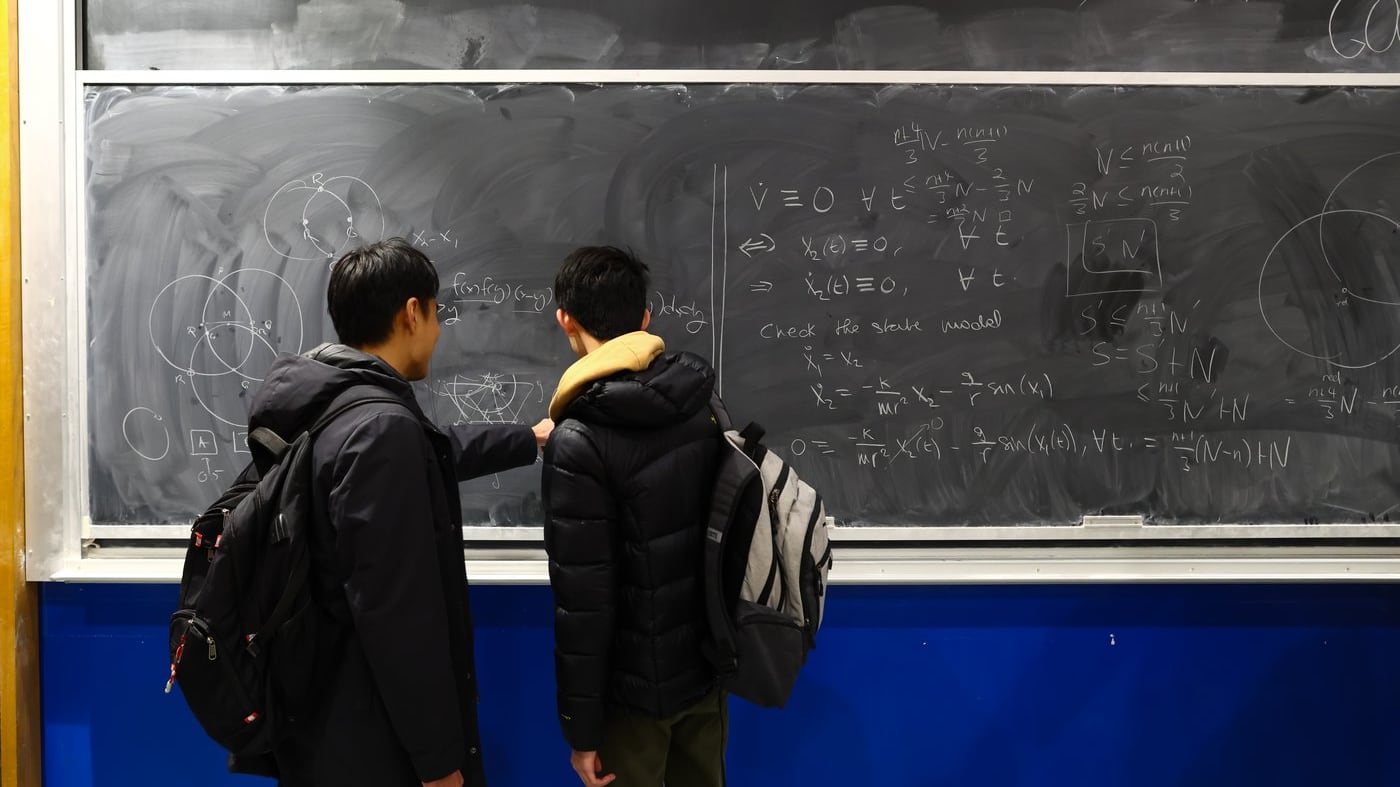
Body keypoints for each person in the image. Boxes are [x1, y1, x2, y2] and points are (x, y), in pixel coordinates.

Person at [239, 238, 552, 787]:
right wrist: (438, 763)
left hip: (319, 719)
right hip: (374, 743)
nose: (439, 330)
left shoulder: (333, 406)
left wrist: (527, 438)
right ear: (412, 313)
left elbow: (433, 451)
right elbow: (397, 615)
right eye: (436, 314)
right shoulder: (381, 429)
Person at [540, 246, 727, 787]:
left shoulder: (579, 440)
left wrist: (582, 732)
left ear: (566, 320)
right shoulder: (703, 406)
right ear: (645, 319)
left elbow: (584, 603)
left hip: (632, 701)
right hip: (705, 673)